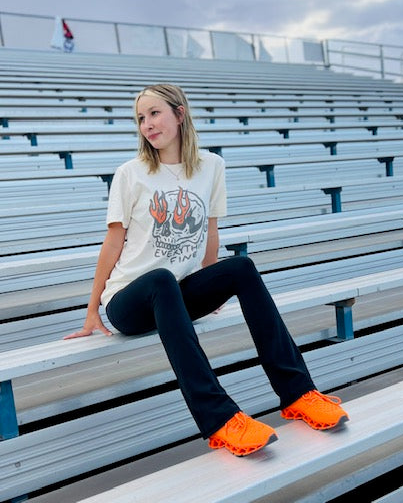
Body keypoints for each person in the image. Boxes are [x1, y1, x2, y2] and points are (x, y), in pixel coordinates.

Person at [65, 83, 349, 457]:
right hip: (130, 301)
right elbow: (113, 242)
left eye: (154, 113)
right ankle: (219, 419)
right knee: (161, 279)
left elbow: (210, 232)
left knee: (242, 267)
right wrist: (91, 310)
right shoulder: (130, 173)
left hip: (176, 295)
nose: (147, 125)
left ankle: (298, 393)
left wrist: (210, 286)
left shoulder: (211, 166)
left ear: (179, 114)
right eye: (140, 118)